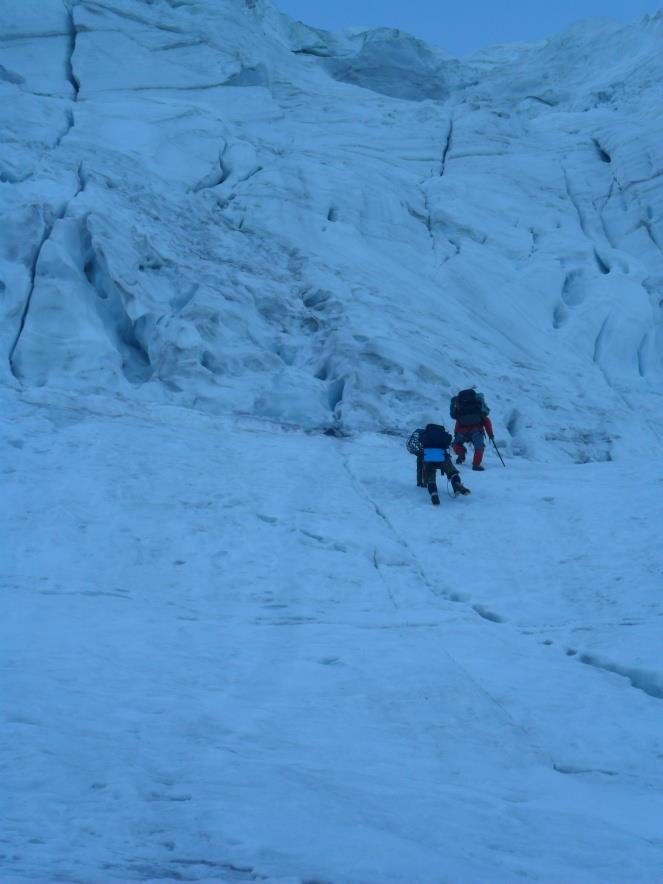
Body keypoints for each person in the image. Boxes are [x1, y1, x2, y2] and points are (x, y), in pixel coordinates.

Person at [407, 423, 470, 505]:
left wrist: (420, 482)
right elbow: (449, 439)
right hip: (442, 456)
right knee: (451, 471)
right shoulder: (443, 434)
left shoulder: (425, 434)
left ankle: (434, 493)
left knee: (430, 476)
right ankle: (457, 483)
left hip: (429, 456)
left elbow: (419, 466)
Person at [450, 388, 494, 471]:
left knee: (456, 444)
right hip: (477, 430)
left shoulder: (461, 408)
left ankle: (461, 454)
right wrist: (490, 434)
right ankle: (476, 465)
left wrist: (456, 434)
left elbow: (458, 421)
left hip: (462, 431)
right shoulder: (478, 407)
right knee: (479, 447)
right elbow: (487, 421)